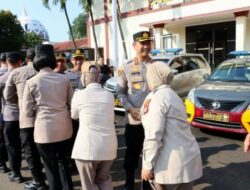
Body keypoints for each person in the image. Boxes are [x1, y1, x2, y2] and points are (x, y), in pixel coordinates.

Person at [140, 61, 203, 190]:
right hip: (188, 160)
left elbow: (153, 136)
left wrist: (147, 165)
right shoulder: (173, 95)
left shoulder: (155, 98)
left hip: (169, 165)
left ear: (153, 77)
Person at [22, 44, 74, 190]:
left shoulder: (31, 82)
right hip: (64, 127)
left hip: (43, 130)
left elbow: (26, 111)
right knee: (63, 162)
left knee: (50, 167)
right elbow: (72, 103)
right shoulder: (64, 79)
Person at [4, 48, 47, 190]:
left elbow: (7, 96)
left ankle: (27, 177)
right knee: (44, 149)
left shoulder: (16, 73)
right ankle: (46, 177)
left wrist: (21, 102)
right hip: (42, 117)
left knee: (23, 149)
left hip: (21, 117)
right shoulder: (48, 73)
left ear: (26, 59)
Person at [71, 62, 117, 190]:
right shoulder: (109, 94)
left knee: (89, 184)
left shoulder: (79, 94)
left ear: (84, 76)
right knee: (104, 180)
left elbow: (74, 115)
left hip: (87, 149)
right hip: (109, 148)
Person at [116, 31, 153, 190]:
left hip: (152, 121)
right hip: (134, 120)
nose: (146, 46)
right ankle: (129, 182)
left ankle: (147, 184)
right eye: (142, 43)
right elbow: (120, 92)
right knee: (131, 154)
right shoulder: (126, 67)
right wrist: (130, 109)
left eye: (148, 42)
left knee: (150, 153)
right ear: (134, 46)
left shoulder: (156, 66)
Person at [0, 52, 23, 183]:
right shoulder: (26, 76)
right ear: (20, 61)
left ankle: (16, 173)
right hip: (26, 116)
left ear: (7, 61)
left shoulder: (2, 78)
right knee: (27, 146)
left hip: (9, 116)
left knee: (12, 146)